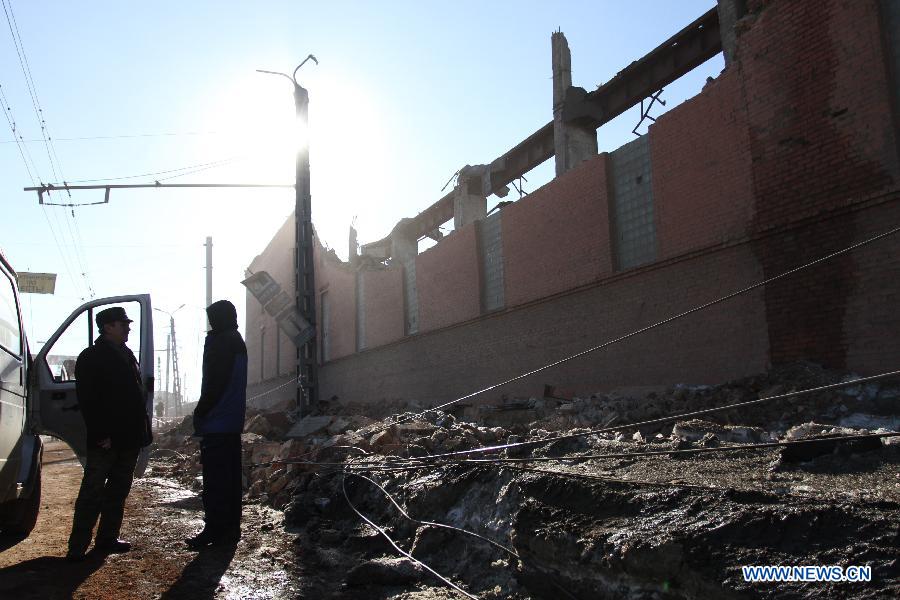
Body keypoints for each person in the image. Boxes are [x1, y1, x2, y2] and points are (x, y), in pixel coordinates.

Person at [67, 306, 152, 561]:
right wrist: (100, 434)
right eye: (122, 324)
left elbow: (134, 398)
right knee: (92, 492)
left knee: (118, 490)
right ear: (107, 327)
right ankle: (77, 547)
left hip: (129, 437)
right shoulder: (92, 357)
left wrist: (142, 432)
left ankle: (107, 539)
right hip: (105, 440)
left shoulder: (126, 354)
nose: (127, 327)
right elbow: (89, 401)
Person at [187, 299, 248, 549]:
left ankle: (214, 529)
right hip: (232, 422)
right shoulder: (236, 339)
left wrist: (200, 413)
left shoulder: (221, 342)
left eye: (211, 318)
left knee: (215, 482)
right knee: (231, 480)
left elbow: (215, 382)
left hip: (217, 422)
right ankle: (231, 529)